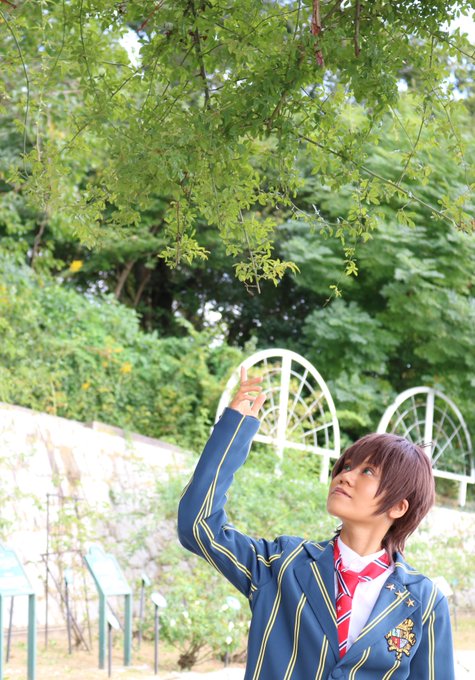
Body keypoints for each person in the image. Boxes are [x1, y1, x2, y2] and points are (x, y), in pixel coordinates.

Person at [178, 367, 455, 679]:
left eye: (367, 472)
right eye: (346, 466)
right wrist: (234, 431)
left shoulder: (423, 602)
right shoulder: (281, 564)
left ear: (399, 507)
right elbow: (198, 525)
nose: (345, 476)